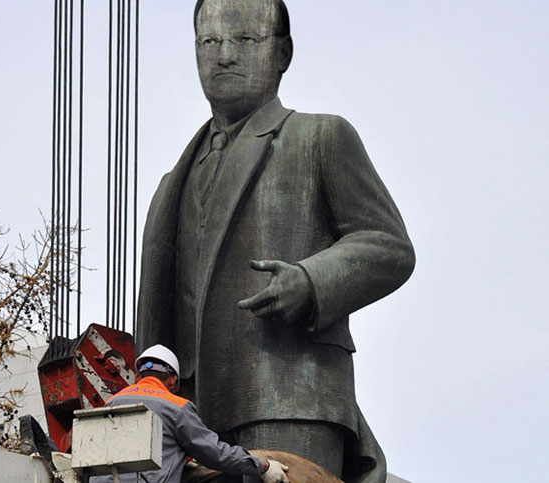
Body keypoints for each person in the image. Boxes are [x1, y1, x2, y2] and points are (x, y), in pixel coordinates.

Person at [136, 0, 416, 481]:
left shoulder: (321, 137)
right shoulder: (171, 184)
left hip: (289, 396)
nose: (224, 55)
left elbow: (388, 245)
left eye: (244, 40)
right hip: (189, 414)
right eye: (209, 42)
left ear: (282, 52)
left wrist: (311, 281)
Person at [98, 345, 290, 483]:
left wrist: (180, 460)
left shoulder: (109, 403)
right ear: (173, 381)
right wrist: (262, 466)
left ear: (138, 377)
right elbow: (215, 454)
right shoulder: (176, 406)